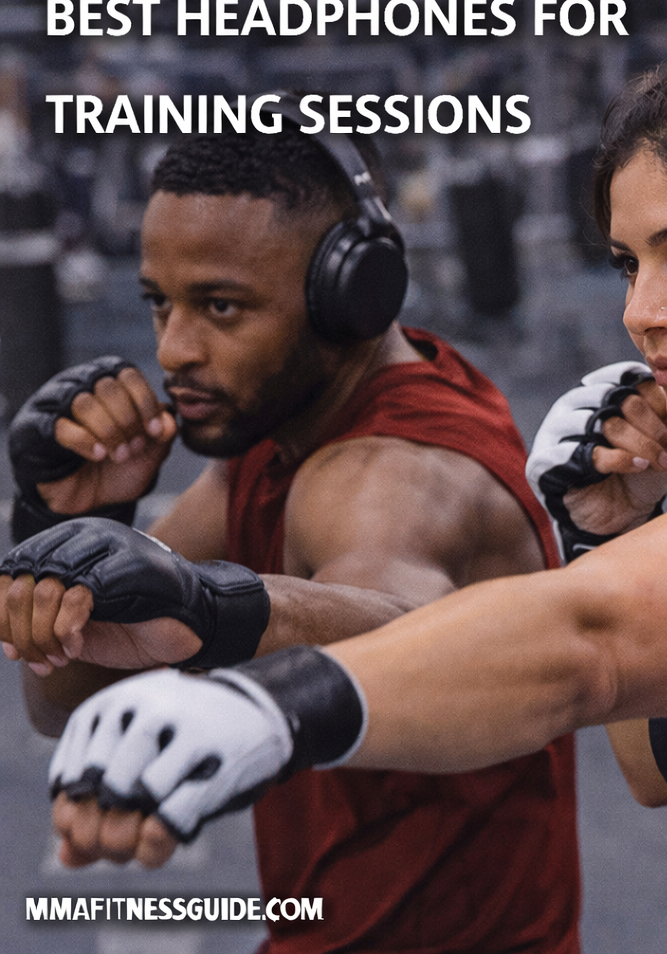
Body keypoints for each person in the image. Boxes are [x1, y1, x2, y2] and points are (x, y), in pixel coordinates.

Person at [15, 25, 667, 951]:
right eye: (628, 264)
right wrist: (610, 538)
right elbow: (655, 771)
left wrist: (268, 701)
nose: (643, 311)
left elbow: (585, 645)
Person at [0, 104, 582, 954]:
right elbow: (67, 702)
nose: (175, 350)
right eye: (160, 304)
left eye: (221, 307)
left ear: (350, 296)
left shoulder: (389, 474)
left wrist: (214, 605)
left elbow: (418, 631)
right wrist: (74, 525)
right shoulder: (277, 429)